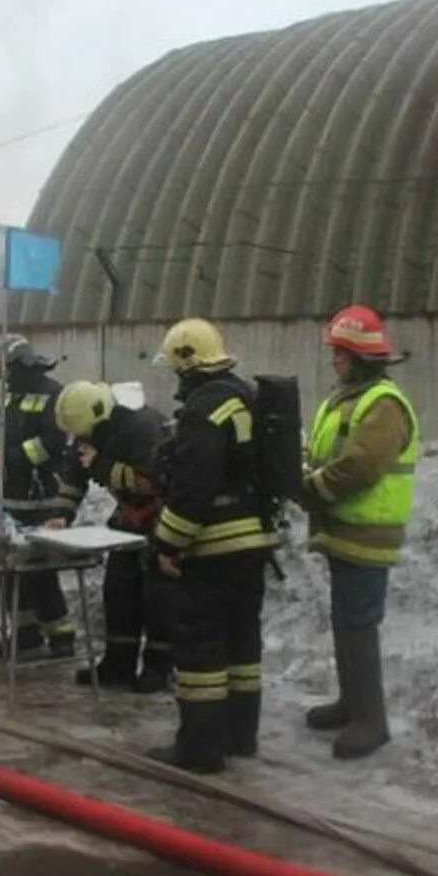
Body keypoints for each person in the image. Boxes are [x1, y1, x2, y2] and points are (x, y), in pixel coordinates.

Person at [147, 318, 280, 774]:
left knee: (201, 649)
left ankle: (201, 751)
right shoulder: (245, 396)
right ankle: (240, 737)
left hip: (215, 548)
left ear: (186, 362)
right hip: (253, 543)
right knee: (243, 644)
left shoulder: (204, 409)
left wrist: (166, 543)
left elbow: (193, 488)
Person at [301, 305, 420, 760]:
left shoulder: (384, 404)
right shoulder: (347, 398)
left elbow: (361, 465)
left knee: (359, 624)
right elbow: (327, 452)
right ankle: (352, 703)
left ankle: (372, 720)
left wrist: (312, 489)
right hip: (344, 531)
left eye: (339, 352)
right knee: (346, 621)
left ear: (358, 356)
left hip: (367, 534)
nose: (333, 360)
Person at [50, 380, 172, 692]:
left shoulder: (142, 429)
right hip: (129, 518)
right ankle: (118, 664)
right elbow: (74, 476)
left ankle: (159, 668)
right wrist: (60, 515)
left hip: (162, 519)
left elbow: (152, 482)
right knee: (119, 589)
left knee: (158, 595)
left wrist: (102, 464)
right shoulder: (89, 430)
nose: (81, 440)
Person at [0, 335, 76, 660]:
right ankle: (24, 635)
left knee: (39, 571)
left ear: (18, 365)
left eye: (3, 369)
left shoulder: (53, 395)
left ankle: (62, 635)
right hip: (9, 498)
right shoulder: (12, 396)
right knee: (9, 570)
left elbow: (51, 444)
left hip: (40, 498)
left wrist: (8, 456)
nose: (1, 377)